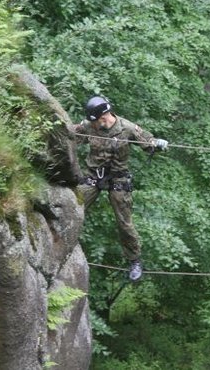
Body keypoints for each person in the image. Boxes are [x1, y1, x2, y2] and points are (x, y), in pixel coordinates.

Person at [71, 96, 168, 282]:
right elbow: (69, 135)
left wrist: (158, 144)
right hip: (93, 176)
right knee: (73, 206)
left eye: (98, 121)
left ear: (104, 117)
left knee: (124, 223)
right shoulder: (89, 126)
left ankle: (135, 261)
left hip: (118, 178)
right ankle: (62, 241)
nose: (96, 125)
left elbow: (148, 143)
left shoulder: (127, 128)